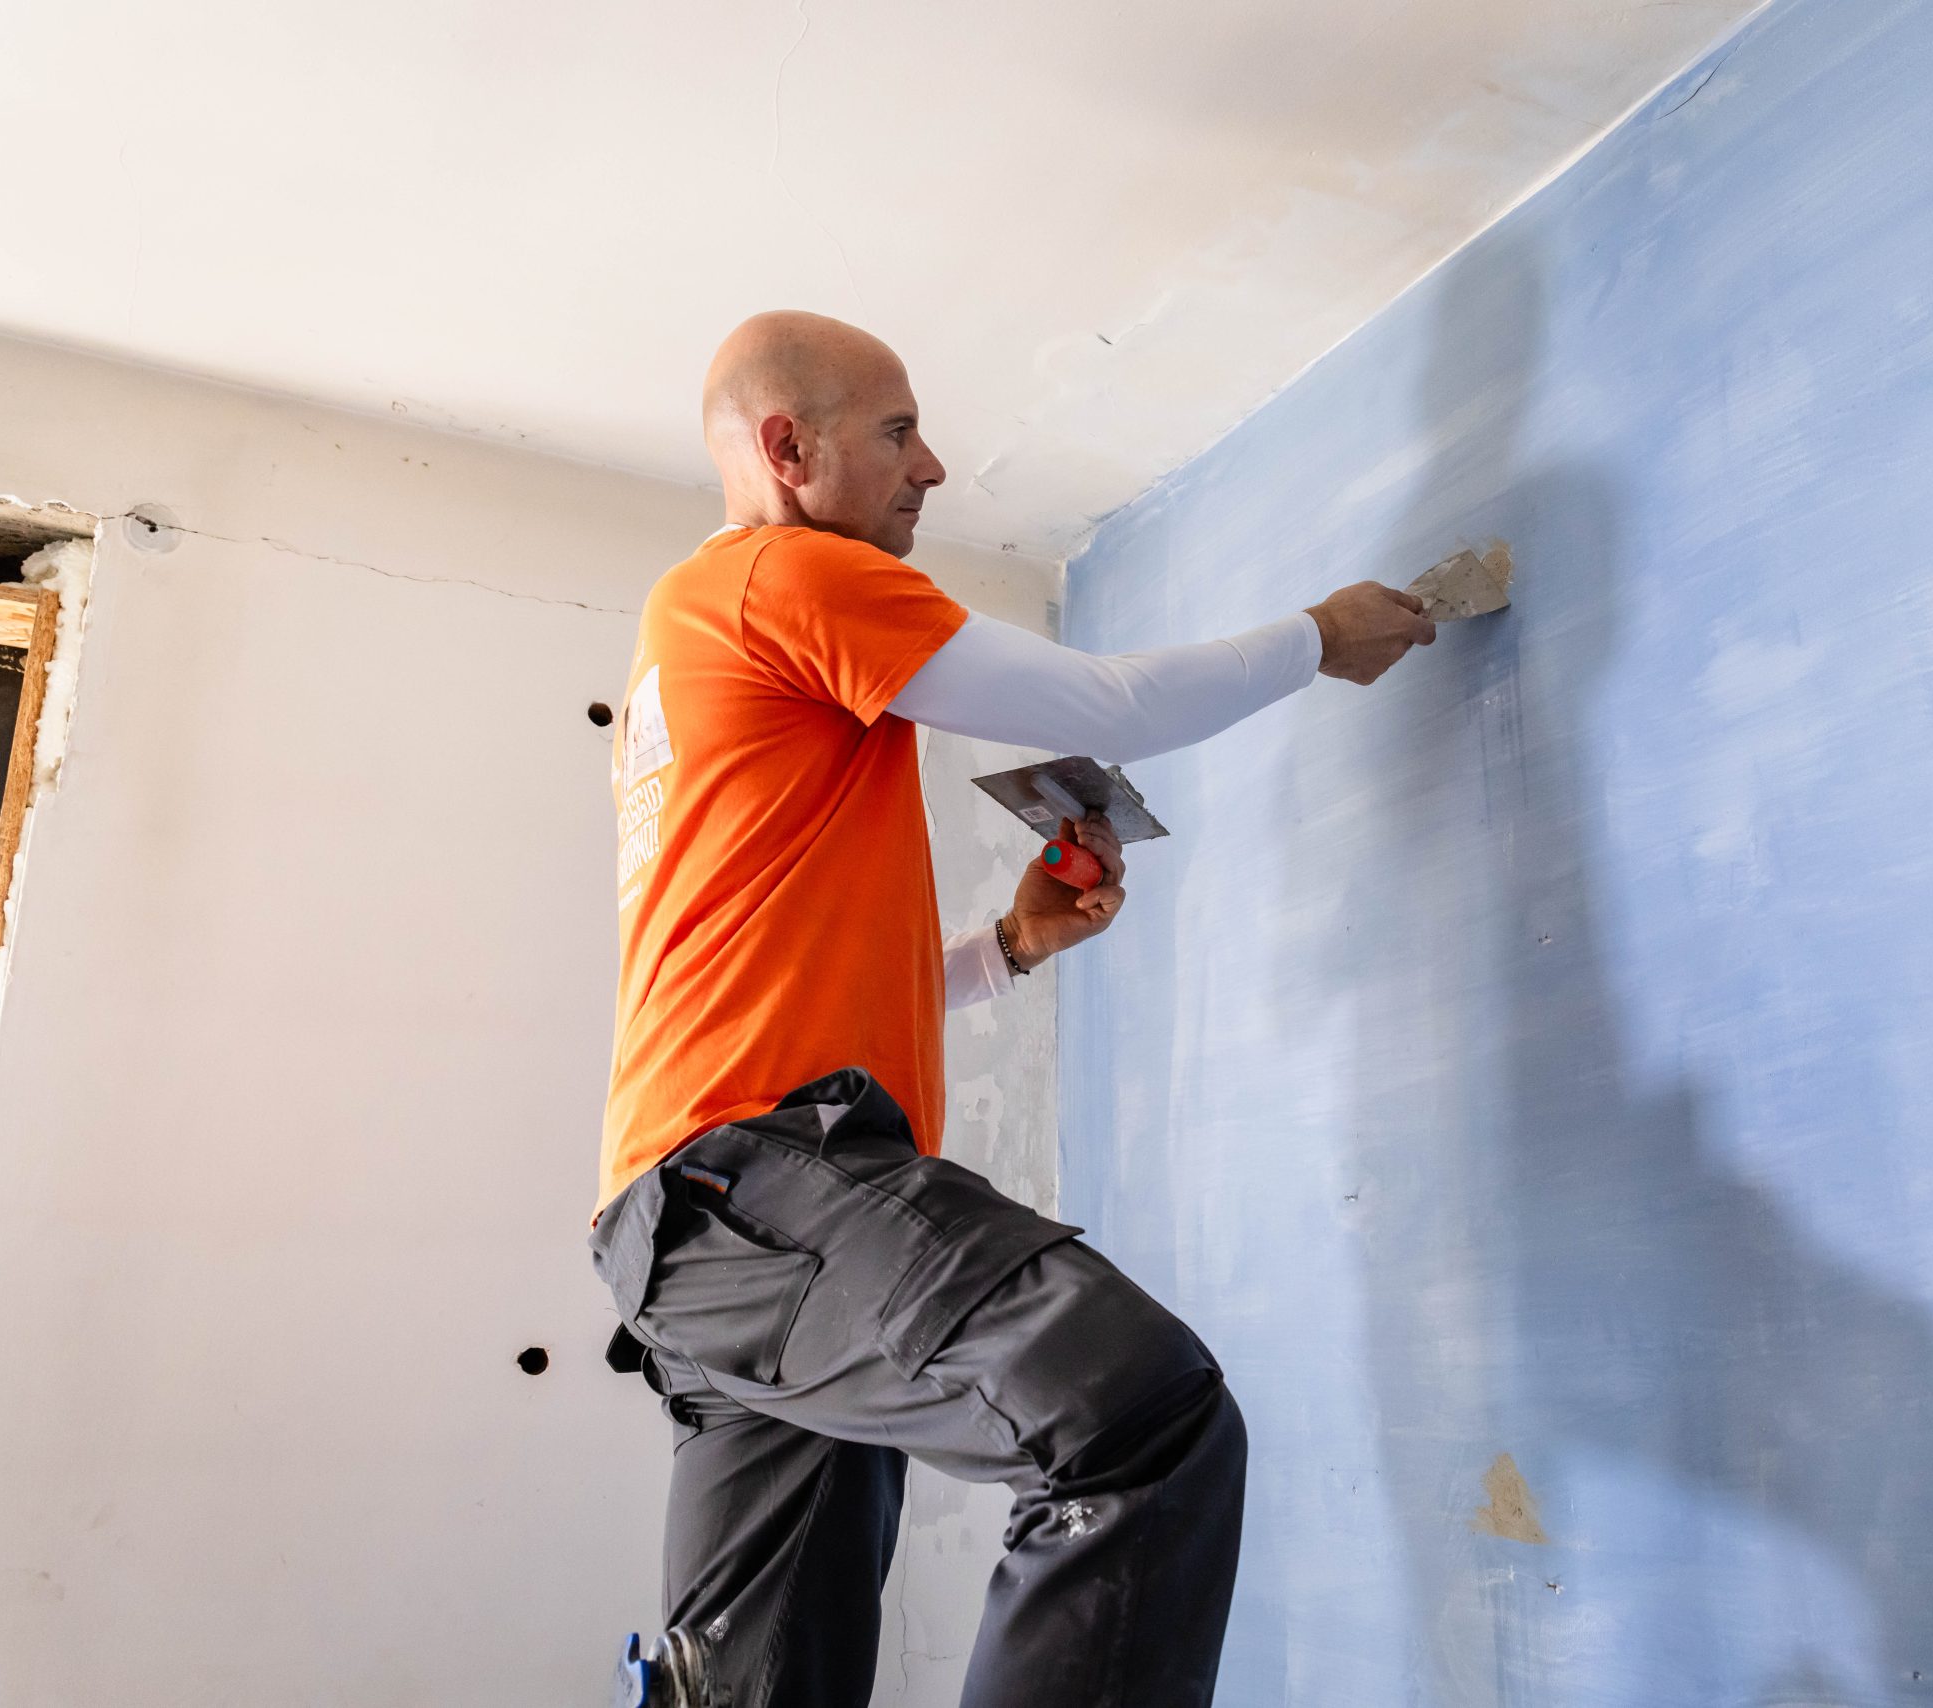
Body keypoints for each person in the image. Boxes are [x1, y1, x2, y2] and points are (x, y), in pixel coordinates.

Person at [593, 310, 1433, 1708]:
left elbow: (788, 989)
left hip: (693, 1238)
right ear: (787, 449)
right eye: (899, 431)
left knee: (758, 1682)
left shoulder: (697, 652)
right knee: (1136, 1419)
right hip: (758, 1182)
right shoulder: (781, 572)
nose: (933, 468)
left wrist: (1009, 949)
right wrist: (1316, 636)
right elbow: (1098, 702)